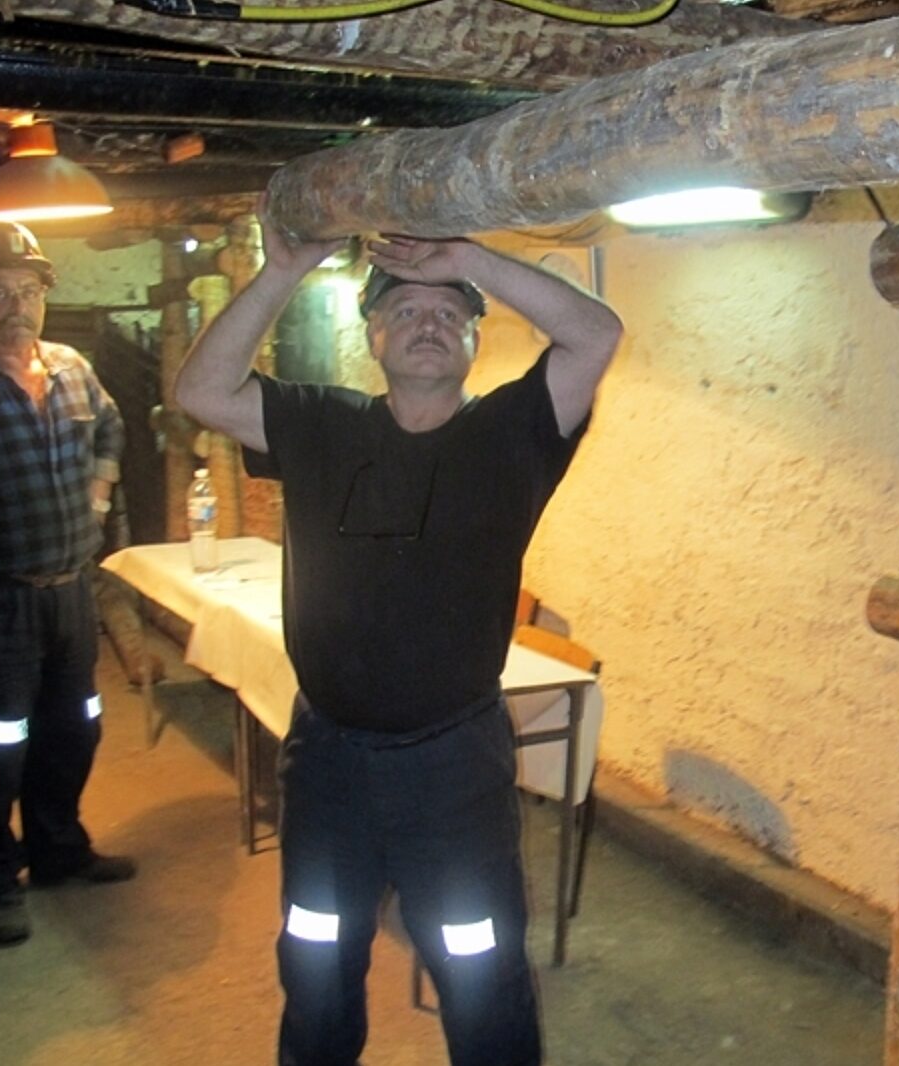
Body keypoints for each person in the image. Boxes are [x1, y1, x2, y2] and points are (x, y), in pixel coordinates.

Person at [174, 206, 621, 1066]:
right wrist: (281, 270)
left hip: (451, 769)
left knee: (478, 967)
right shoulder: (320, 423)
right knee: (315, 955)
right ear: (372, 335)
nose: (429, 323)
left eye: (451, 311)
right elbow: (200, 392)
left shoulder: (512, 434)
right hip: (328, 762)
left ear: (474, 341)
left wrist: (468, 256)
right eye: (406, 309)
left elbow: (595, 335)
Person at [0, 222, 133, 947]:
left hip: (69, 592)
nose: (17, 307)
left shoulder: (72, 367)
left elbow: (112, 430)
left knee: (75, 725)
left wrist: (97, 500)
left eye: (28, 289)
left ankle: (58, 849)